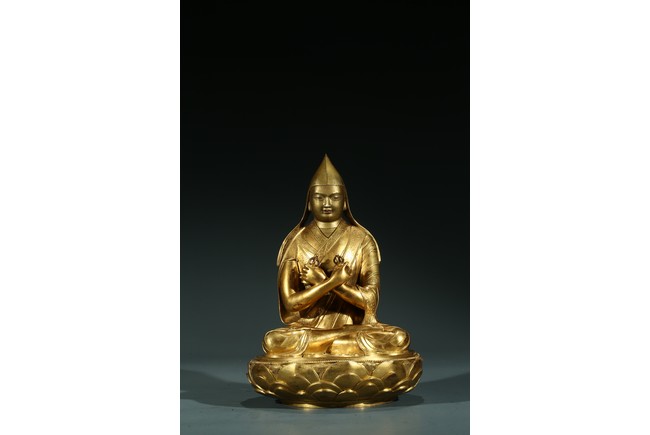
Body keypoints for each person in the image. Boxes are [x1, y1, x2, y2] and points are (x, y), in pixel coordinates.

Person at [262, 155, 410, 357]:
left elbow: (371, 300)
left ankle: (331, 344)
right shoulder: (295, 242)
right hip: (309, 330)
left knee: (398, 338)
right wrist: (332, 282)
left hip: (354, 327)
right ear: (309, 203)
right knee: (273, 341)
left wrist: (328, 282)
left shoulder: (362, 239)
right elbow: (291, 303)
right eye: (319, 197)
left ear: (345, 202)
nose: (327, 203)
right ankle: (339, 343)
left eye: (334, 197)